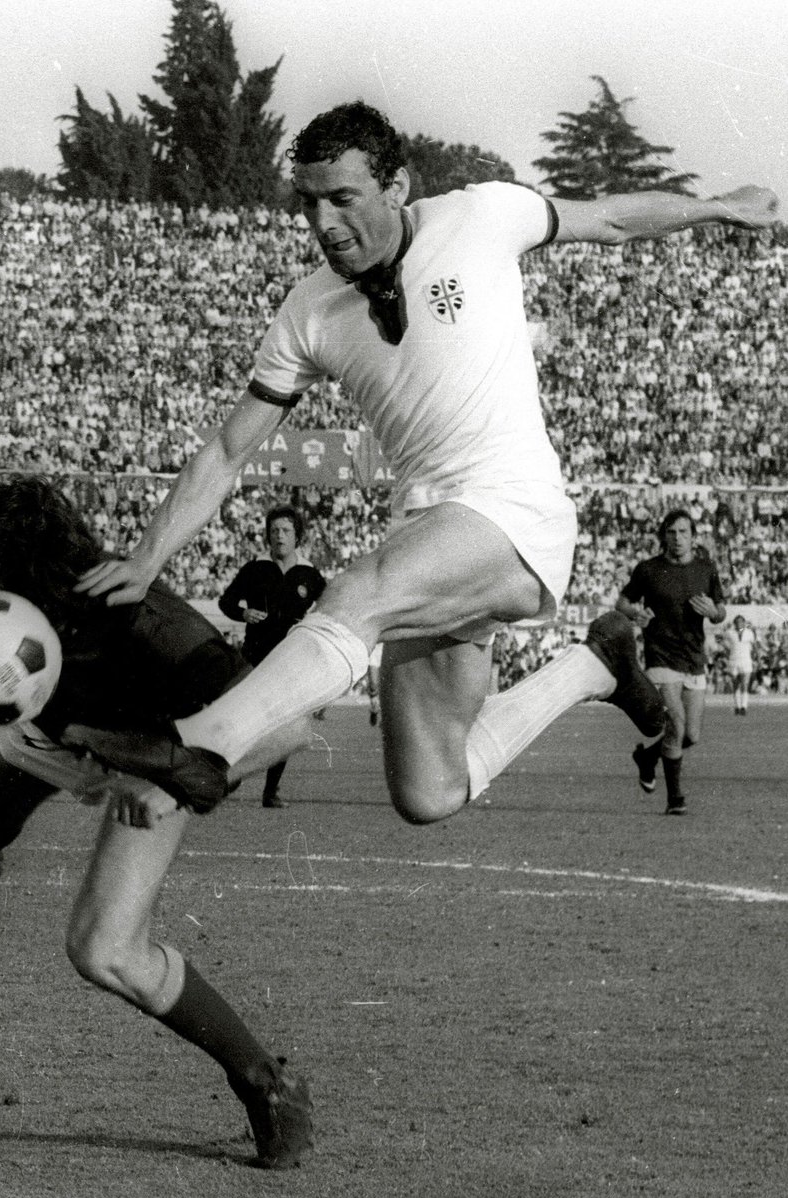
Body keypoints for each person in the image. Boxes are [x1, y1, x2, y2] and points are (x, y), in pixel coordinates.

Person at [77, 100, 776, 826]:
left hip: (512, 514)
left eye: (342, 198)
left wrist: (719, 208)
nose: (322, 222)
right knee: (428, 791)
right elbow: (228, 450)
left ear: (396, 187)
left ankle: (196, 746)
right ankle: (593, 664)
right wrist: (146, 557)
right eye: (308, 203)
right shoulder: (307, 311)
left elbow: (610, 219)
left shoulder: (480, 216)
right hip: (426, 534)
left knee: (354, 595)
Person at [0, 477, 314, 1171]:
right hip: (55, 734)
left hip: (152, 758)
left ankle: (265, 1083)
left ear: (33, 577)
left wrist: (171, 778)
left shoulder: (148, 619)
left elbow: (289, 727)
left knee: (104, 950)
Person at [616, 509, 728, 814]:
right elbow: (623, 602)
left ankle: (648, 757)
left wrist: (713, 612)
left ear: (693, 536)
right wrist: (636, 614)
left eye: (683, 532)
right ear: (664, 536)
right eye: (671, 532)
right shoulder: (649, 570)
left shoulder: (706, 569)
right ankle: (675, 799)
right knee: (676, 725)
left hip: (694, 657)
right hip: (661, 655)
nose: (677, 538)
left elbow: (721, 611)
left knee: (691, 734)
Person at [218, 503, 325, 807]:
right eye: (274, 530)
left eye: (285, 531)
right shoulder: (255, 569)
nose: (279, 536)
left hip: (289, 660)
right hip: (254, 657)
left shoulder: (309, 574)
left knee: (284, 725)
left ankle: (271, 791)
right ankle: (232, 775)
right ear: (267, 535)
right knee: (243, 721)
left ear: (297, 536)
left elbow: (327, 606)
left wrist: (311, 623)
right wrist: (244, 613)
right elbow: (226, 601)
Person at [725, 613, 756, 716]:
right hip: (734, 661)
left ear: (744, 623)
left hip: (746, 661)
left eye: (741, 622)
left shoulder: (749, 633)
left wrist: (755, 658)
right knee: (735, 685)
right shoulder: (729, 633)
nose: (739, 624)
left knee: (745, 684)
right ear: (734, 623)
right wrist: (727, 652)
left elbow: (754, 646)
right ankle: (737, 706)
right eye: (737, 622)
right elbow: (720, 640)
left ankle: (744, 707)